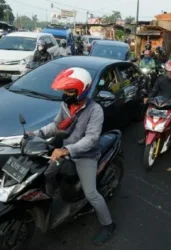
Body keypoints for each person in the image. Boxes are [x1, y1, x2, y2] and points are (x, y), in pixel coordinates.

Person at [28, 67, 116, 245]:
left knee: (91, 194)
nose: (66, 94)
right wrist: (35, 134)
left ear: (82, 90)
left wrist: (66, 150)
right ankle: (51, 200)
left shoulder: (95, 110)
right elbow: (56, 126)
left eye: (70, 90)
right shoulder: (66, 105)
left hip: (86, 155)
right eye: (65, 91)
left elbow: (91, 139)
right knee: (48, 173)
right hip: (66, 150)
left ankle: (109, 225)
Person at [138, 59, 171, 148]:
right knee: (147, 121)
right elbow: (154, 90)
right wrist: (148, 97)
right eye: (168, 71)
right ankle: (146, 136)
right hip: (158, 104)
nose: (170, 73)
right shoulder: (161, 79)